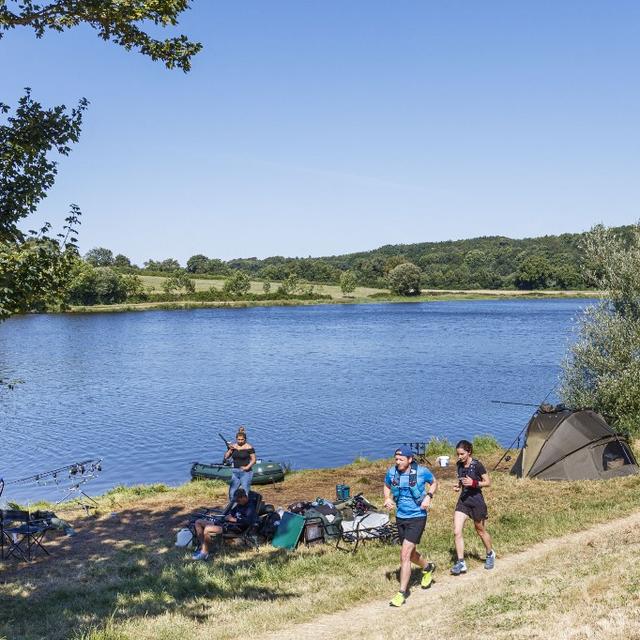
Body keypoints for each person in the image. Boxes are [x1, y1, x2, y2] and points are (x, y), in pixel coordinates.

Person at [383, 445, 438, 607]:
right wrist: (387, 498)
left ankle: (402, 593)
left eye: (401, 459)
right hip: (401, 517)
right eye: (396, 459)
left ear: (410, 459)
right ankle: (428, 567)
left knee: (405, 555)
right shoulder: (392, 473)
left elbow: (434, 482)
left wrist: (429, 496)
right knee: (412, 554)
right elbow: (386, 486)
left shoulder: (421, 472)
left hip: (417, 517)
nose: (397, 462)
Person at [451, 439, 495, 575]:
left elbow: (488, 483)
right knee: (457, 531)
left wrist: (474, 483)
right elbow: (461, 479)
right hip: (463, 501)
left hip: (476, 502)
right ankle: (461, 562)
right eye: (458, 454)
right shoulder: (459, 465)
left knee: (480, 530)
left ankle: (490, 554)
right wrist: (458, 486)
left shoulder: (477, 465)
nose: (459, 457)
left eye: (462, 454)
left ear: (469, 452)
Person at [192, 488, 257, 560]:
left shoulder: (250, 507)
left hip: (234, 528)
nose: (237, 502)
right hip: (225, 524)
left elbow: (249, 522)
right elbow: (231, 513)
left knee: (207, 529)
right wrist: (227, 517)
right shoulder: (240, 504)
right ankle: (203, 546)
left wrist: (234, 519)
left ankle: (205, 552)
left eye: (238, 500)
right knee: (198, 522)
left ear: (243, 497)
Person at [224, 426, 256, 501]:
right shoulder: (234, 446)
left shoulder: (249, 447)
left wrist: (247, 467)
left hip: (246, 473)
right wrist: (230, 450)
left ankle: (247, 508)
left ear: (245, 439)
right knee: (232, 492)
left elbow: (253, 460)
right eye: (239, 439)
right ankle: (232, 508)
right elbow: (226, 457)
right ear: (236, 439)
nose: (240, 441)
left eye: (242, 439)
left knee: (245, 492)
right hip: (235, 472)